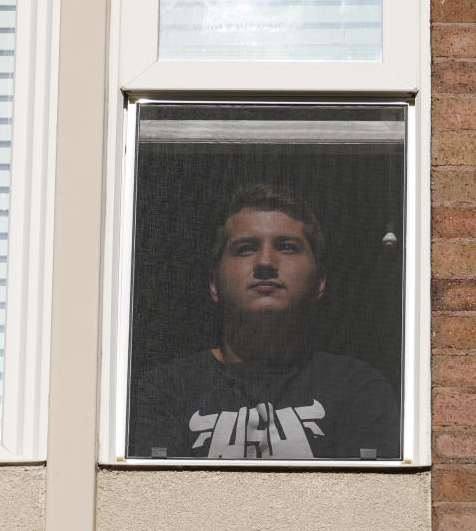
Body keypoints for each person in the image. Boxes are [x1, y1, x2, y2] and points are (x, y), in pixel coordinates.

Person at [128, 184, 400, 460]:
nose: (266, 262)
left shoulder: (358, 390)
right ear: (214, 284)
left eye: (287, 247)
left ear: (320, 281)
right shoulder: (167, 391)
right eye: (246, 249)